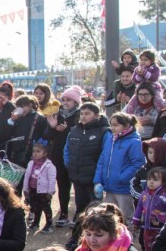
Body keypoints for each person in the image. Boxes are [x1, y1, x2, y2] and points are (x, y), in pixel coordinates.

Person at [64, 103, 110, 219]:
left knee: (95, 208)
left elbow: (106, 154)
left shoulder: (104, 132)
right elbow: (67, 149)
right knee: (80, 207)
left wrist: (100, 175)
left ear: (96, 115)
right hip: (77, 175)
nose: (83, 116)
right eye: (82, 113)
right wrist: (69, 164)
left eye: (87, 114)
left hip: (94, 178)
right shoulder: (74, 130)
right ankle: (78, 229)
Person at [48, 86, 84, 227]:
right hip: (58, 154)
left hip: (76, 155)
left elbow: (81, 131)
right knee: (62, 184)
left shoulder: (81, 113)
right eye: (63, 99)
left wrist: (66, 129)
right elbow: (47, 136)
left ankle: (79, 215)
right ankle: (63, 213)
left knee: (78, 186)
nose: (65, 102)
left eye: (69, 100)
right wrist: (53, 128)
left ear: (75, 101)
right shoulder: (58, 114)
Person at [130, 166, 166, 251]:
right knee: (148, 249)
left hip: (163, 230)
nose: (151, 182)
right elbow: (139, 208)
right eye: (149, 179)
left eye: (155, 180)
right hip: (147, 228)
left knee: (162, 248)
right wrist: (135, 222)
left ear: (164, 181)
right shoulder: (144, 194)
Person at [23, 140, 57, 233]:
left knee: (46, 208)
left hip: (44, 192)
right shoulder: (30, 163)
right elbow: (27, 177)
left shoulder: (50, 166)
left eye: (38, 151)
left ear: (45, 153)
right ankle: (35, 223)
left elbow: (52, 179)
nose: (35, 153)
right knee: (35, 207)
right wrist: (25, 189)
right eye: (34, 151)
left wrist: (50, 192)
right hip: (33, 190)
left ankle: (49, 224)